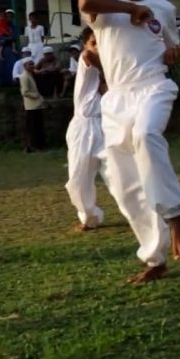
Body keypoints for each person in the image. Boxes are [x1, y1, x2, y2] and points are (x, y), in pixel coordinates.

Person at [78, 0, 180, 285]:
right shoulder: (102, 6)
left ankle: (176, 215)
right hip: (116, 100)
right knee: (125, 187)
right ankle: (155, 258)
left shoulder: (163, 7)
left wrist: (174, 52)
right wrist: (130, 12)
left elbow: (170, 42)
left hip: (154, 87)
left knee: (146, 134)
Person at [65, 27, 109, 232]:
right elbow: (88, 55)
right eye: (94, 42)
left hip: (108, 125)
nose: (98, 46)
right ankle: (89, 217)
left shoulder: (114, 69)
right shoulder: (86, 60)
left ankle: (149, 213)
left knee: (121, 175)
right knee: (78, 178)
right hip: (83, 126)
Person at [19, 57, 46, 152]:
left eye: (32, 64)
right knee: (33, 127)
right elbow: (25, 92)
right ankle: (33, 146)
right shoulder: (24, 76)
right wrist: (36, 96)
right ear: (25, 66)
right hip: (31, 106)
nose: (32, 66)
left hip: (37, 104)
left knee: (38, 126)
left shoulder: (31, 74)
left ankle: (38, 146)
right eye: (29, 64)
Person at [0, 9, 18, 87]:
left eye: (11, 16)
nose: (9, 18)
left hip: (10, 48)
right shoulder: (1, 24)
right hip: (2, 47)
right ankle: (2, 83)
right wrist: (6, 38)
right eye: (7, 16)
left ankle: (12, 81)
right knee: (2, 65)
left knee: (12, 64)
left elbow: (14, 37)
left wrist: (7, 38)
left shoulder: (13, 26)